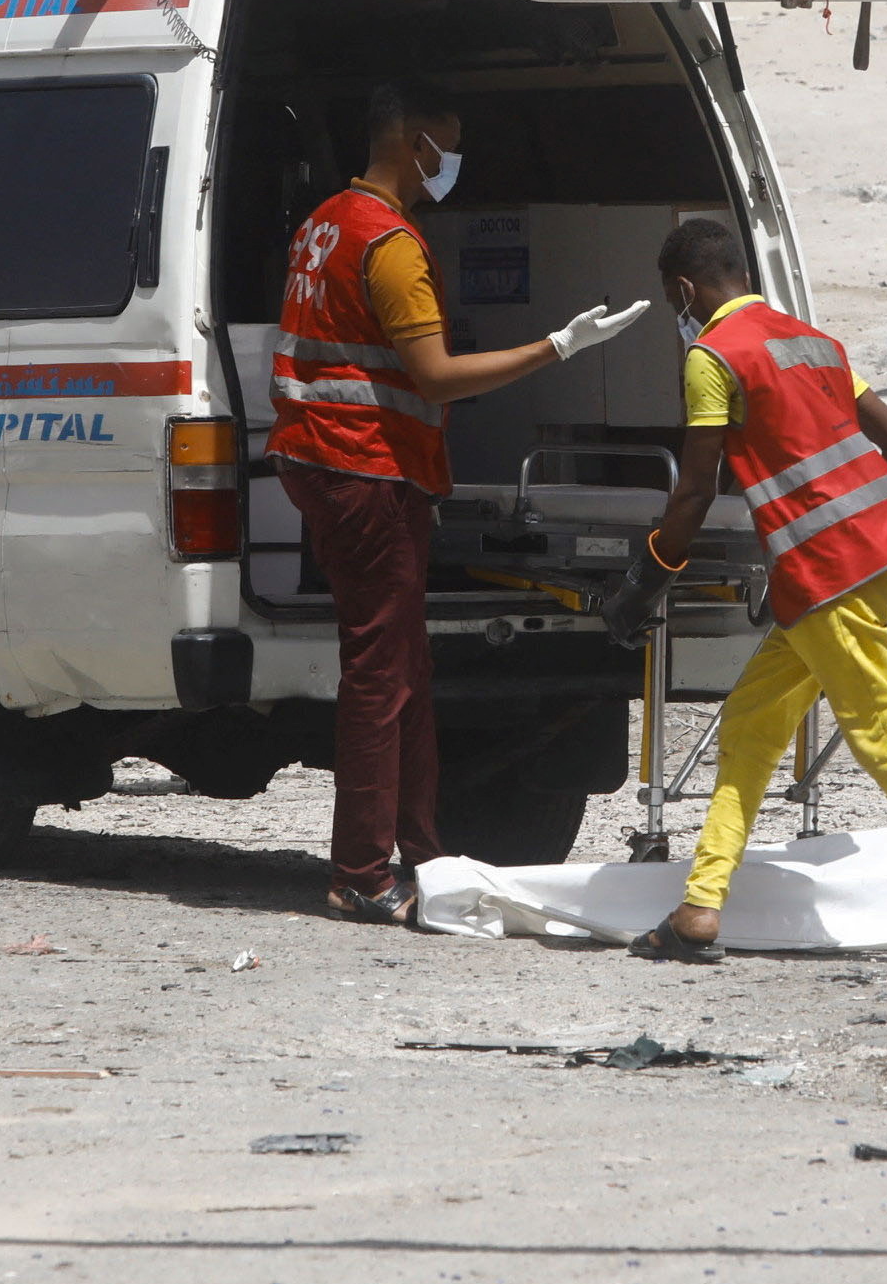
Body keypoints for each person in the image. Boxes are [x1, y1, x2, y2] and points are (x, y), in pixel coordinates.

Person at [595, 217, 887, 966]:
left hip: (828, 569)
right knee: (752, 723)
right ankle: (700, 910)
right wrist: (878, 528)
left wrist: (645, 580)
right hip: (866, 555)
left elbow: (695, 489)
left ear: (682, 289)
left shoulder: (713, 356)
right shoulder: (811, 340)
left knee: (886, 739)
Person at [267, 79, 647, 922]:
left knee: (404, 668)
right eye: (448, 142)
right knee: (381, 672)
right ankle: (363, 875)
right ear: (411, 140)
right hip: (362, 468)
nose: (454, 163)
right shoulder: (389, 242)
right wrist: (556, 347)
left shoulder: (324, 221)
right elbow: (434, 374)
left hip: (327, 461)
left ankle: (421, 856)